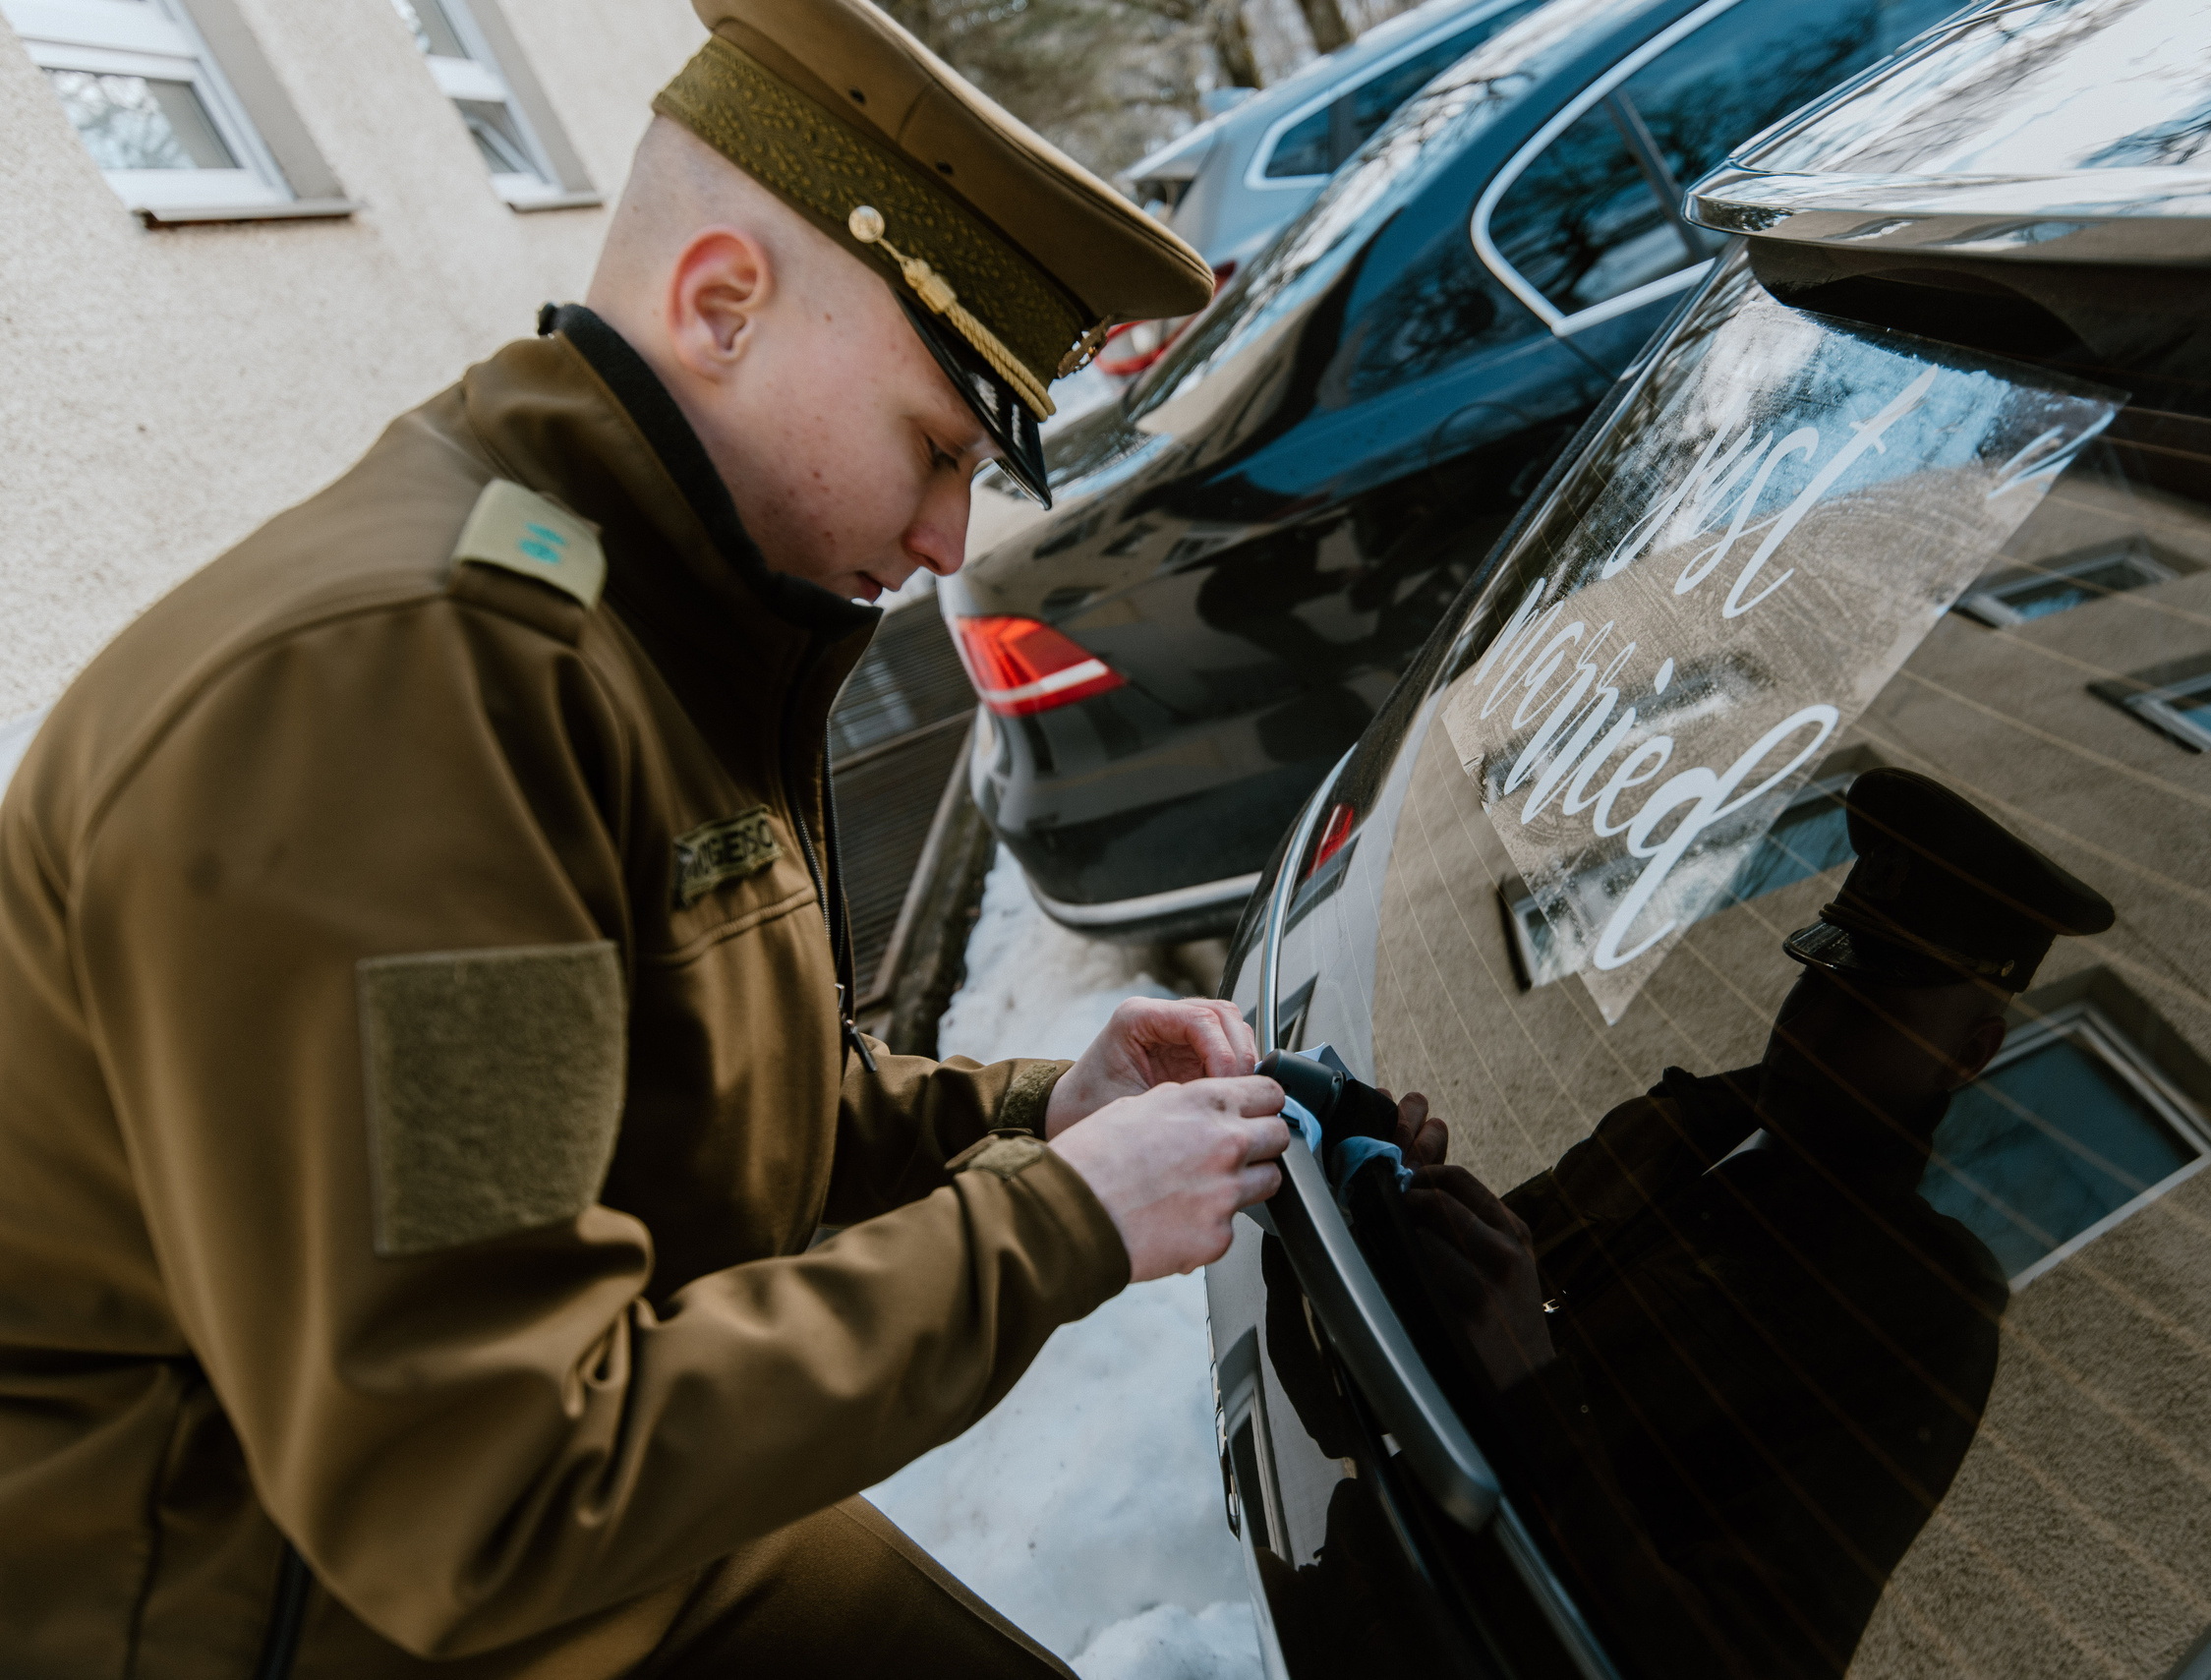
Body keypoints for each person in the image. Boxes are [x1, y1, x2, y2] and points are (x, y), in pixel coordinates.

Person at [0, 3, 1286, 1676]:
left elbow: (685, 1127)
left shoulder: (629, 621)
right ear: (721, 305)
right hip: (285, 1602)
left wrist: (1046, 1114)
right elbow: (488, 1484)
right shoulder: (410, 701)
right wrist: (1060, 1221)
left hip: (518, 1520)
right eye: (938, 443)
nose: (949, 531)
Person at [1375, 768, 2118, 1678]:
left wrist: (1533, 1384)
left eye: (1874, 1005)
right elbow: (1476, 1297)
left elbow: (1735, 1660)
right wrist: (1402, 1201)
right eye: (1824, 972)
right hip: (1353, 1549)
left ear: (1968, 1054)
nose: (1811, 1024)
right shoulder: (1676, 1124)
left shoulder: (1920, 1310)